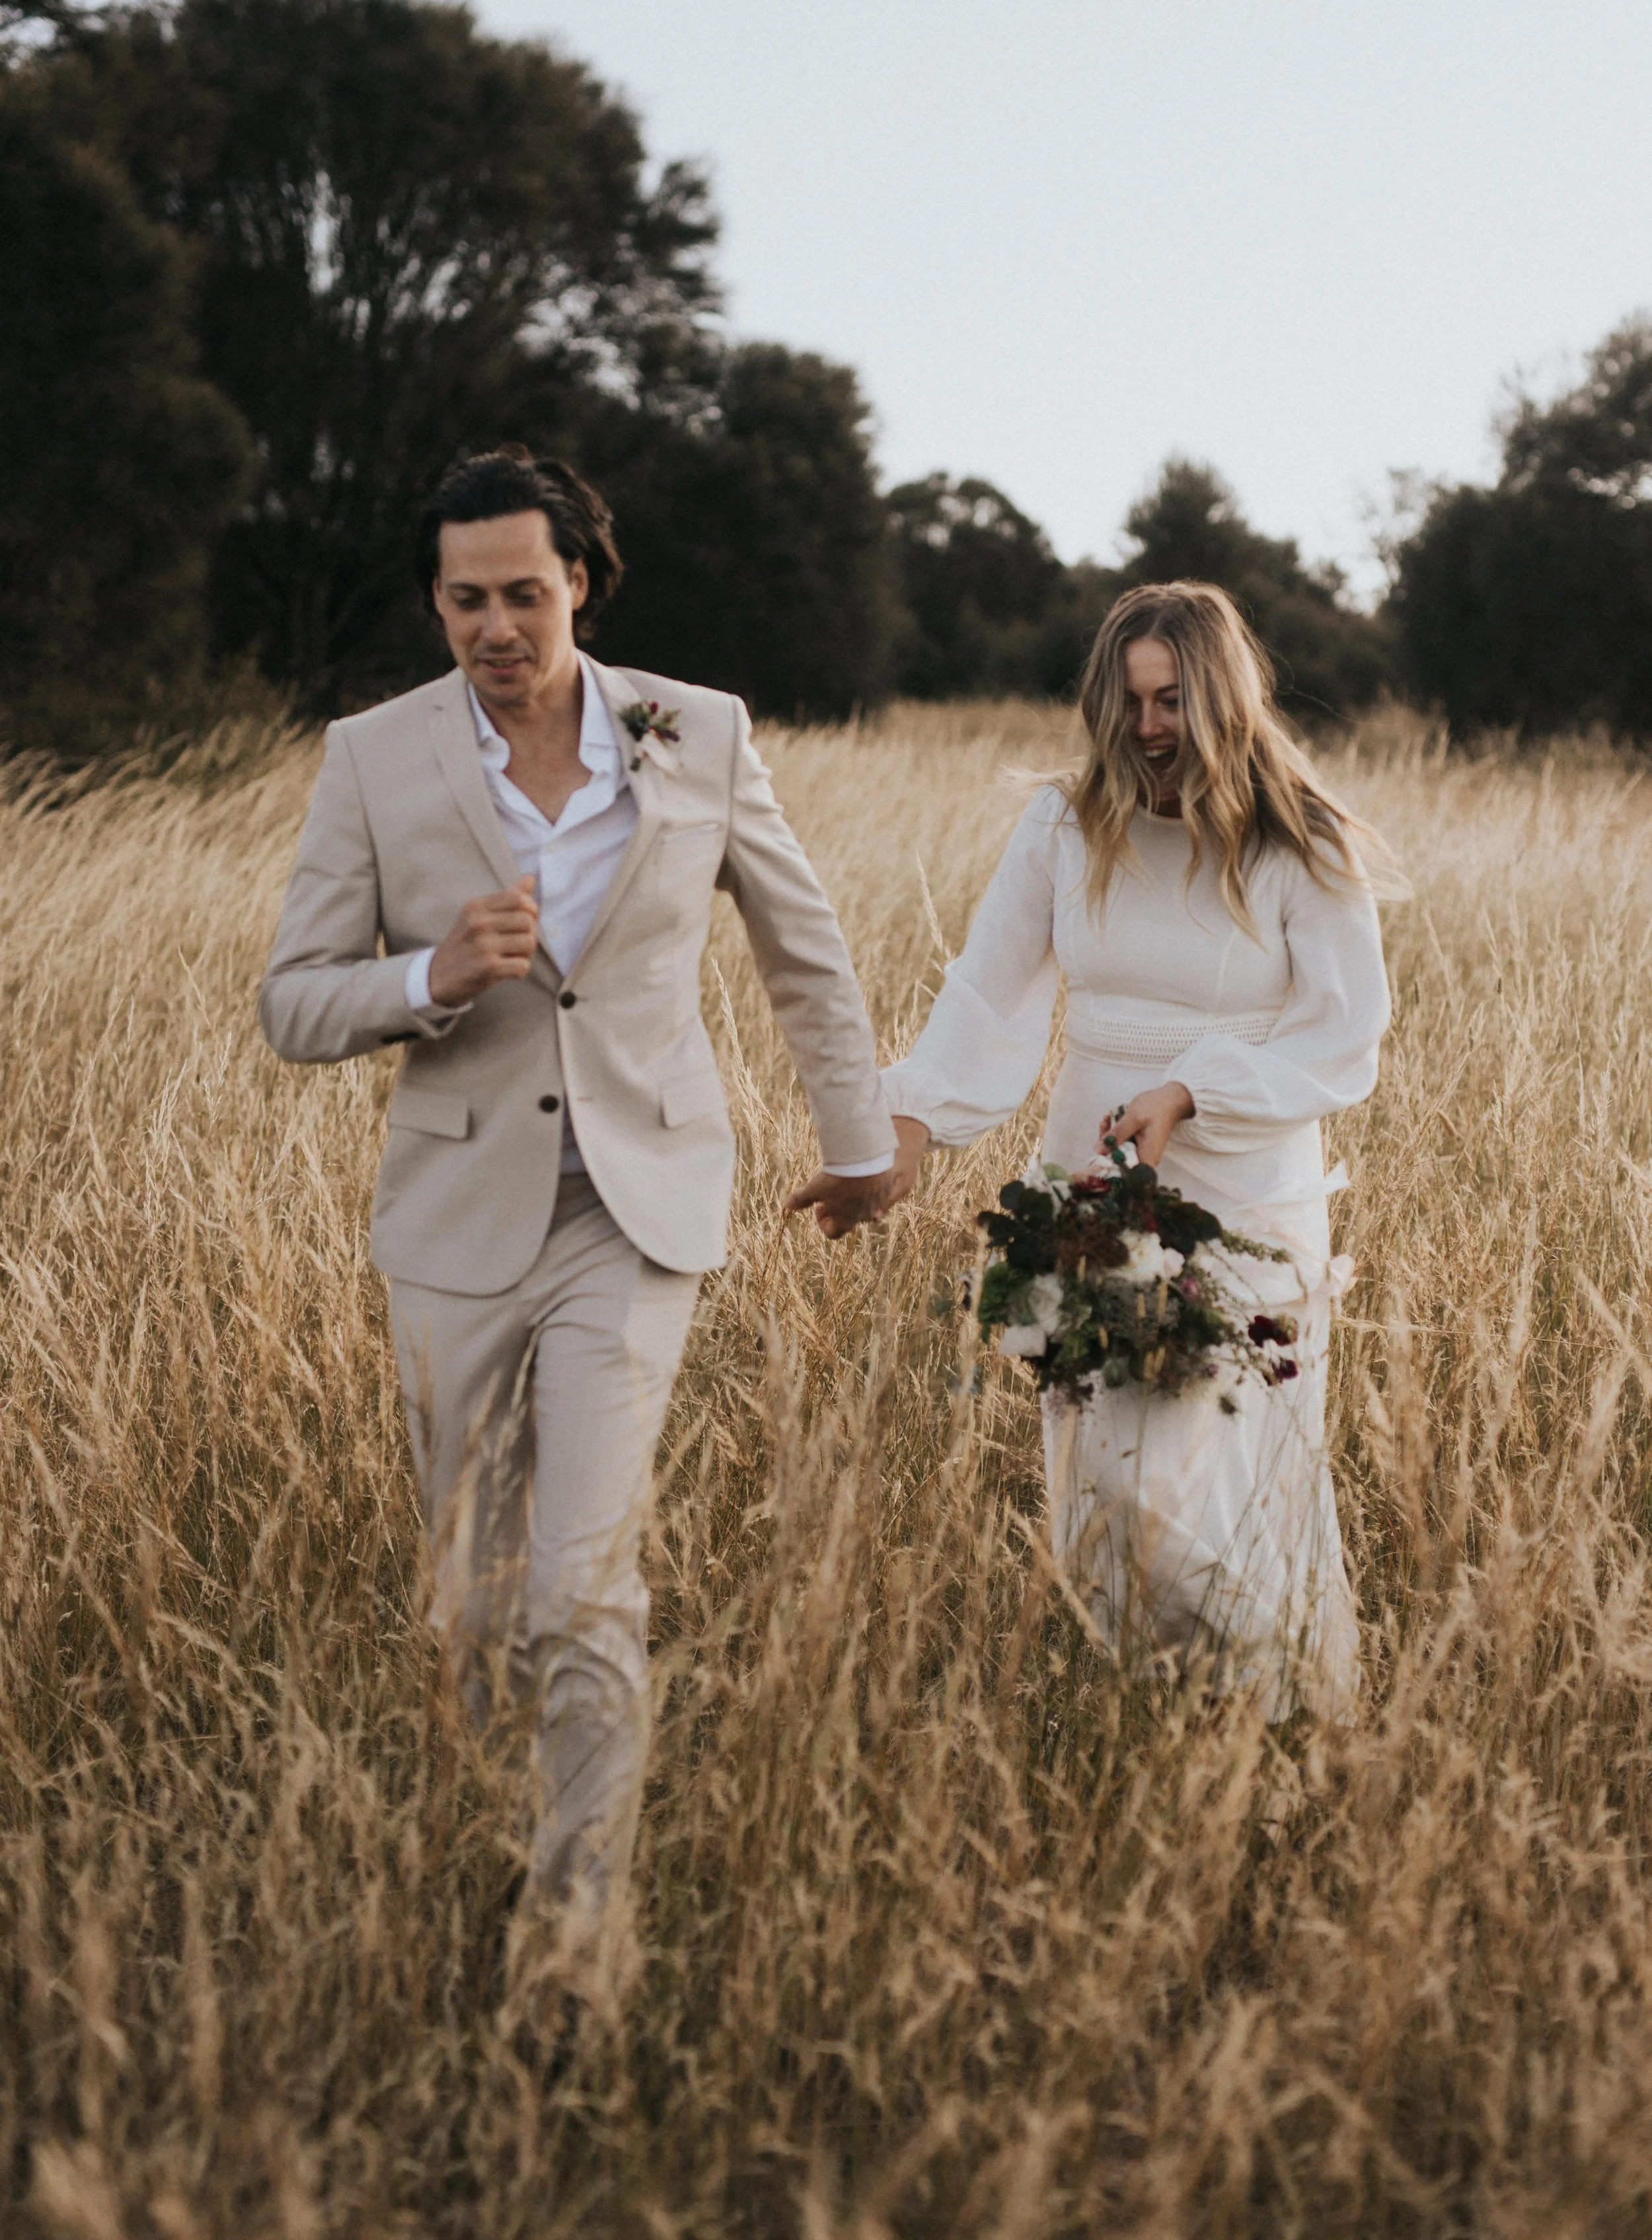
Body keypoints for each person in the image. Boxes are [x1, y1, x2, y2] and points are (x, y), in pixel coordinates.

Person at [259, 445, 895, 1915]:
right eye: (464, 600)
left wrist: (856, 1143)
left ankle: (578, 1928)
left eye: (523, 596)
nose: (495, 629)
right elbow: (289, 1003)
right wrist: (425, 973)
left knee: (584, 1586)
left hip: (635, 1211)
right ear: (435, 601)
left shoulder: (698, 732)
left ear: (581, 589)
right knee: (474, 1606)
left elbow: (802, 952)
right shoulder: (374, 756)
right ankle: (487, 1854)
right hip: (453, 1223)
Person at [881, 582, 1393, 1717]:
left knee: (1205, 1490)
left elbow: (1346, 1035)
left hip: (1245, 1191)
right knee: (1112, 1491)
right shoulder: (1064, 825)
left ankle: (1276, 1723)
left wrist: (1193, 1088)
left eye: (1173, 702)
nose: (1151, 728)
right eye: (1131, 702)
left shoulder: (1299, 838)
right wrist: (906, 1123)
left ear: (1224, 702)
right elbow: (989, 993)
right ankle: (1159, 1737)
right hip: (1093, 1189)